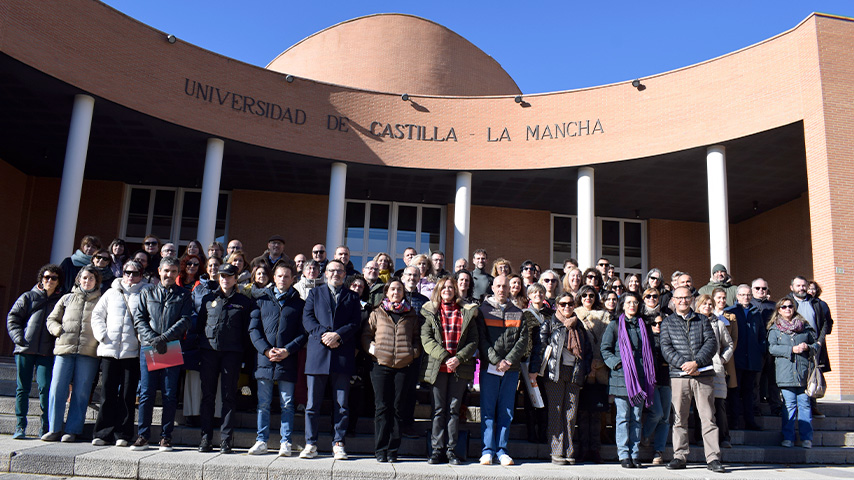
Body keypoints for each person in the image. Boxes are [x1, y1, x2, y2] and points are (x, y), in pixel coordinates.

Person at [300, 260, 362, 460]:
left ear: (345, 274)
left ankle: (338, 443)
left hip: (342, 355)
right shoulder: (314, 293)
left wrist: (338, 336)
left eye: (340, 271)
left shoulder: (352, 296)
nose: (336, 273)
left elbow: (355, 322)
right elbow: (307, 319)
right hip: (318, 355)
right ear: (325, 273)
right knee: (312, 405)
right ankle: (311, 443)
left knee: (342, 405)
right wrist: (325, 335)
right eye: (332, 270)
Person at [660, 286, 726, 473]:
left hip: (702, 375)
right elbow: (666, 348)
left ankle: (713, 458)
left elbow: (711, 343)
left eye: (686, 297)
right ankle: (680, 456)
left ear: (692, 299)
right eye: (679, 298)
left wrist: (696, 363)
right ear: (673, 300)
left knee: (708, 418)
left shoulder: (702, 320)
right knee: (679, 418)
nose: (683, 301)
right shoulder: (667, 323)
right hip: (679, 376)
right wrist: (685, 365)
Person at [131, 256, 193, 452]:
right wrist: (153, 339)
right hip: (150, 346)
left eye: (173, 271)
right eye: (166, 271)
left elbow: (185, 320)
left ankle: (166, 437)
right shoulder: (147, 292)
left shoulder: (184, 295)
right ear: (159, 271)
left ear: (177, 273)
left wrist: (164, 338)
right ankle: (143, 436)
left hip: (171, 346)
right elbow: (139, 319)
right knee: (146, 393)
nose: (169, 275)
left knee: (169, 394)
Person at [196, 263, 259, 453]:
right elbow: (200, 326)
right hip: (209, 352)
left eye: (229, 276)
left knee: (229, 396)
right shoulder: (208, 299)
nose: (225, 279)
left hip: (232, 354)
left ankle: (226, 440)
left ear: (235, 278)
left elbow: (247, 332)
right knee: (208, 396)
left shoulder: (243, 302)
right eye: (222, 276)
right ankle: (206, 438)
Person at [247, 261, 306, 456]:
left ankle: (286, 442)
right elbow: (253, 329)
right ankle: (261, 440)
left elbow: (303, 333)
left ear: (293, 279)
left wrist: (288, 350)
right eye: (279, 276)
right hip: (264, 360)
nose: (283, 279)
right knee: (263, 404)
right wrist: (265, 350)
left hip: (287, 360)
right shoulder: (261, 300)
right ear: (274, 278)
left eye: (287, 276)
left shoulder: (299, 304)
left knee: (287, 404)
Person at [421, 276, 479, 465]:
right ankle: (437, 450)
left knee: (454, 410)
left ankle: (451, 450)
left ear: (455, 291)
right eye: (444, 287)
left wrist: (458, 358)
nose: (447, 290)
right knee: (438, 410)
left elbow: (473, 340)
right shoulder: (430, 311)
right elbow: (426, 339)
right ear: (438, 290)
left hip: (459, 368)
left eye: (450, 287)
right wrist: (446, 358)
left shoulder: (466, 312)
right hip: (438, 367)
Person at [362, 279, 421, 463]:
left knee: (398, 408)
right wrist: (374, 350)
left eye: (399, 289)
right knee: (382, 407)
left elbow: (417, 338)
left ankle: (393, 450)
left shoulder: (411, 314)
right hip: (380, 366)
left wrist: (412, 353)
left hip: (403, 367)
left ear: (404, 293)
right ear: (386, 292)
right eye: (393, 289)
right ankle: (380, 449)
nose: (396, 292)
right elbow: (366, 336)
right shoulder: (377, 313)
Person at [42, 265, 103, 443]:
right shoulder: (67, 298)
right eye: (84, 278)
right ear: (78, 279)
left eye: (91, 278)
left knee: (81, 392)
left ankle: (72, 430)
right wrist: (57, 330)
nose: (87, 281)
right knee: (57, 389)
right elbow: (51, 319)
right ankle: (54, 428)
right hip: (64, 349)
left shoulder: (101, 301)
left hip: (88, 352)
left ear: (96, 282)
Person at [90, 260, 147, 446]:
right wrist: (102, 335)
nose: (130, 276)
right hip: (110, 349)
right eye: (127, 272)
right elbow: (97, 315)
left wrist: (142, 339)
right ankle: (102, 433)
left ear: (141, 275)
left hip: (132, 352)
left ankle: (123, 434)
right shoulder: (111, 292)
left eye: (135, 273)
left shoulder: (146, 293)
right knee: (107, 393)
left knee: (128, 395)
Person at [7, 264, 63, 439]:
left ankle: (45, 426)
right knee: (22, 388)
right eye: (46, 277)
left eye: (53, 278)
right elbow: (13, 318)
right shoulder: (28, 297)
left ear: (58, 281)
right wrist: (19, 338)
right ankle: (20, 426)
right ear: (41, 279)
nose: (49, 280)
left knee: (45, 387)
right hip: (25, 349)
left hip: (46, 351)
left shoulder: (60, 300)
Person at [600, 292, 656, 469]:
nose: (632, 305)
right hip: (621, 378)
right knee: (623, 417)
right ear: (622, 305)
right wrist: (617, 364)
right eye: (629, 302)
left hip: (641, 378)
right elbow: (605, 349)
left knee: (637, 418)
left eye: (635, 302)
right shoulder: (615, 325)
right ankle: (624, 455)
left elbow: (651, 350)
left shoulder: (644, 325)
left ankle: (635, 454)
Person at [477, 275, 528, 466]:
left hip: (511, 369)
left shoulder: (518, 312)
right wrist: (496, 360)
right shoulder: (483, 310)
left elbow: (523, 340)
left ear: (510, 289)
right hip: (489, 367)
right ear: (492, 287)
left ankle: (502, 450)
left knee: (506, 411)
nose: (501, 289)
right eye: (498, 286)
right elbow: (481, 339)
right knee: (488, 410)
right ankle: (487, 450)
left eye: (505, 286)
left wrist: (508, 361)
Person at [536, 292, 591, 465]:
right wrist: (535, 371)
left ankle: (569, 449)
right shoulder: (549, 323)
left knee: (570, 414)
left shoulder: (579, 326)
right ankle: (556, 450)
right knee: (556, 411)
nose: (567, 307)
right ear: (557, 306)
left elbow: (587, 351)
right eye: (563, 304)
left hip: (574, 373)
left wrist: (586, 371)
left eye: (570, 304)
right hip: (555, 373)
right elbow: (540, 348)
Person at [767, 297, 818, 448]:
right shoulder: (775, 329)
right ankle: (788, 437)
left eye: (790, 306)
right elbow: (772, 348)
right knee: (789, 405)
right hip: (785, 372)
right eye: (784, 307)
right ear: (779, 310)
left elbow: (816, 345)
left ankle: (806, 438)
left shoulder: (805, 326)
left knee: (805, 405)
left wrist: (808, 347)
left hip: (803, 373)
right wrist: (791, 349)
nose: (787, 309)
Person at [573, 285, 610, 463]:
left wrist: (598, 362)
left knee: (596, 412)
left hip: (600, 366)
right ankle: (583, 448)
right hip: (581, 366)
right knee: (582, 411)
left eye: (591, 295)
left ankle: (595, 449)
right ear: (580, 297)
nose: (588, 298)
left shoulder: (605, 315)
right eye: (584, 295)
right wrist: (588, 365)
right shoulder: (574, 314)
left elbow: (607, 340)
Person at [787, 276, 833, 417]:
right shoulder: (787, 303)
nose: (801, 288)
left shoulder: (817, 303)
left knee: (812, 376)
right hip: (795, 346)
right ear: (792, 287)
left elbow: (825, 323)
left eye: (803, 285)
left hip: (814, 346)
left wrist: (819, 341)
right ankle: (795, 408)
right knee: (796, 375)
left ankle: (813, 406)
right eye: (798, 285)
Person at [695, 294, 734, 450]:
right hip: (697, 366)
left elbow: (729, 344)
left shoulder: (718, 323)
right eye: (704, 304)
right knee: (700, 404)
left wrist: (722, 359)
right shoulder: (693, 322)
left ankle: (724, 437)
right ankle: (700, 437)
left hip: (715, 367)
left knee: (719, 403)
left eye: (710, 304)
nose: (707, 306)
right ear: (698, 306)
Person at [639, 287, 670, 465]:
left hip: (667, 377)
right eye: (654, 324)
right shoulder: (646, 337)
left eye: (660, 324)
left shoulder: (668, 336)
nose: (658, 326)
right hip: (651, 379)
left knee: (665, 418)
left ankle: (658, 451)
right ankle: (645, 435)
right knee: (657, 413)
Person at [727, 284, 765, 430]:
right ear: (737, 296)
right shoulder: (731, 312)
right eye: (742, 295)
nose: (746, 297)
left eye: (748, 294)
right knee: (735, 391)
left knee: (749, 391)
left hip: (752, 359)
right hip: (736, 358)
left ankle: (750, 421)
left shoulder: (756, 313)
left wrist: (760, 350)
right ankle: (734, 421)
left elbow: (762, 334)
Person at [712, 287, 738, 447]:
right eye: (718, 298)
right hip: (708, 363)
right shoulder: (704, 317)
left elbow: (733, 340)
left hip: (725, 361)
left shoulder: (731, 317)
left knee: (722, 399)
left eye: (724, 298)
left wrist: (723, 358)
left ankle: (725, 435)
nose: (722, 300)